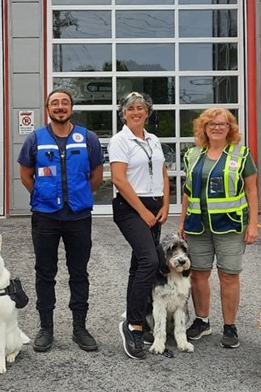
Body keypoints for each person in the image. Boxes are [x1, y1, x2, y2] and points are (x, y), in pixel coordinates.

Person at [17, 89, 103, 352]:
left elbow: (97, 176)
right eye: (55, 103)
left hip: (78, 217)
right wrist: (44, 196)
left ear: (71, 108)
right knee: (45, 273)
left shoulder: (88, 138)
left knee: (79, 273)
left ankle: (80, 328)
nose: (60, 107)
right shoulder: (35, 139)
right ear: (48, 109)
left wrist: (79, 195)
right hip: (45, 217)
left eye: (64, 102)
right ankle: (46, 328)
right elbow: (26, 176)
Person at [178, 107, 258, 349]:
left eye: (222, 124)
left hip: (230, 224)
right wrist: (181, 221)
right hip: (197, 226)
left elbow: (251, 190)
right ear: (203, 128)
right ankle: (202, 321)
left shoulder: (241, 154)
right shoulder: (192, 155)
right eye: (211, 123)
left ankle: (230, 326)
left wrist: (253, 224)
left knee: (229, 275)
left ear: (229, 128)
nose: (216, 127)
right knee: (199, 274)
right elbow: (187, 191)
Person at [109, 91, 169, 360]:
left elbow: (163, 172)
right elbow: (119, 180)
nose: (136, 112)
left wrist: (166, 203)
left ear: (148, 112)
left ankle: (138, 318)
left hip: (155, 206)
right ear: (124, 113)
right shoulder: (120, 140)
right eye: (131, 108)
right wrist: (143, 210)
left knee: (138, 266)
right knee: (150, 261)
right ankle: (133, 324)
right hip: (130, 207)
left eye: (141, 108)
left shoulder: (153, 139)